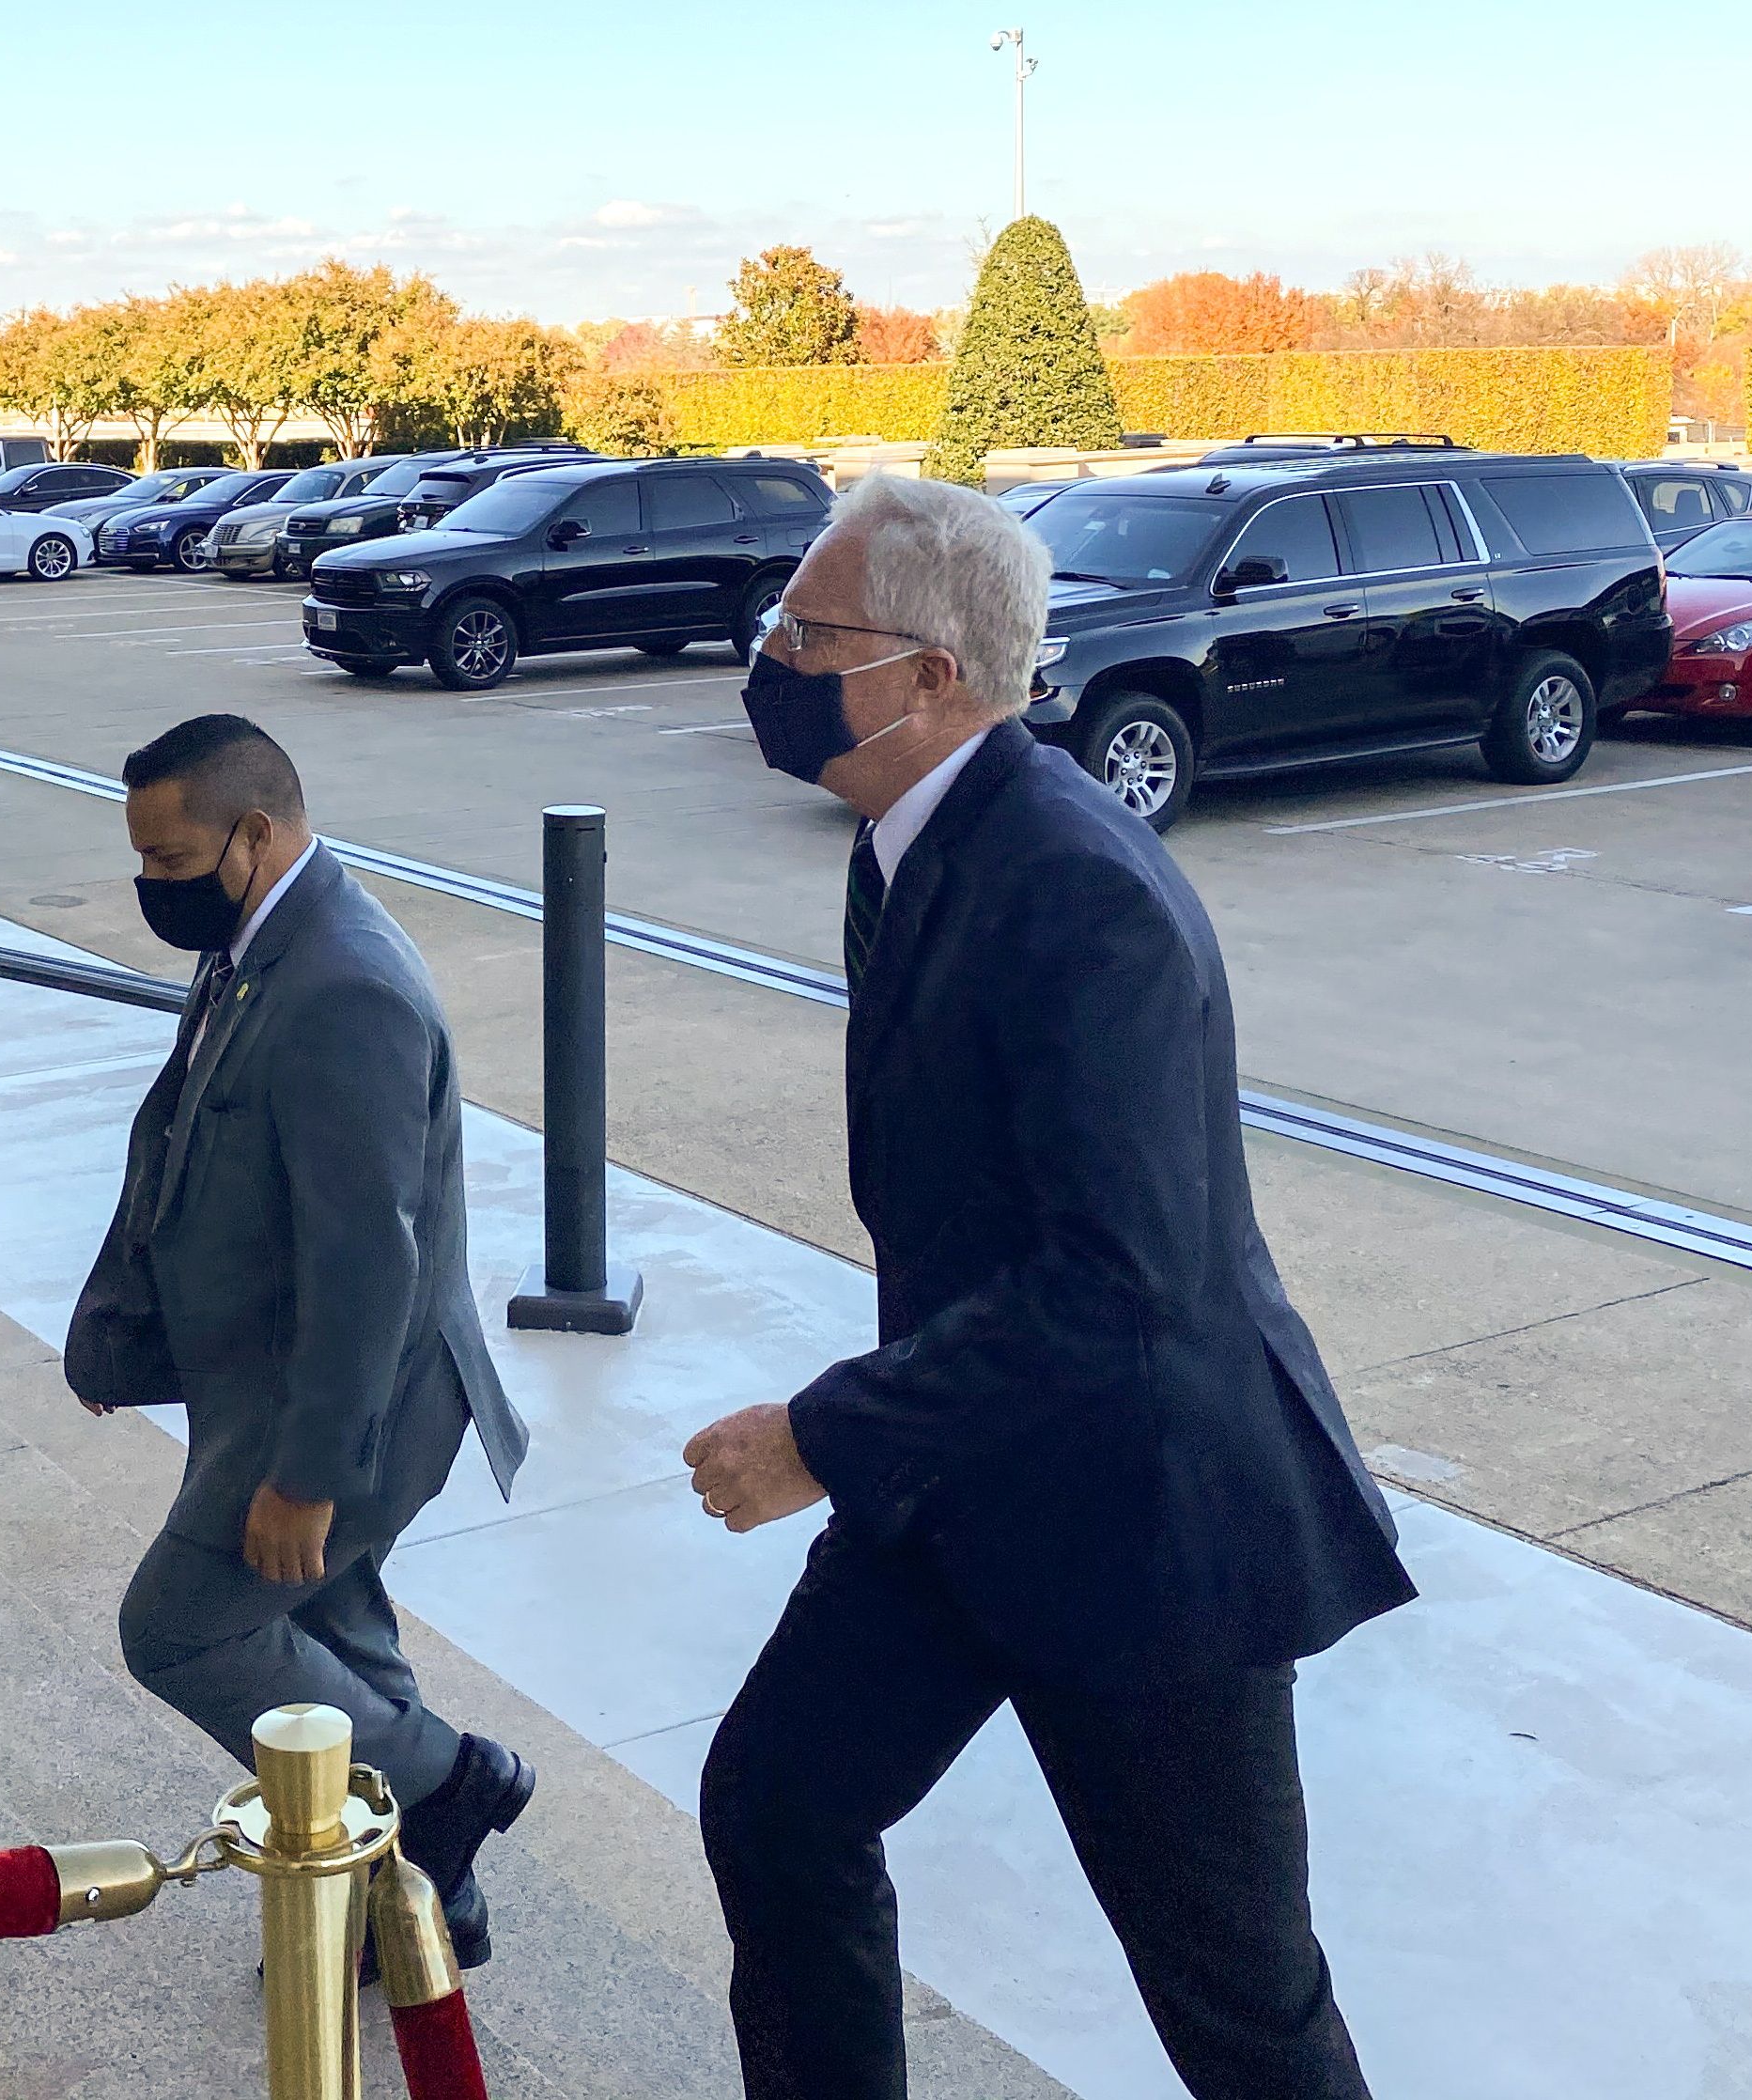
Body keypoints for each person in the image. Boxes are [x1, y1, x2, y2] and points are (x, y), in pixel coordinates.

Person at [682, 475, 1417, 2099]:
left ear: (931, 674)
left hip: (1142, 1515)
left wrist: (822, 1434)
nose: (774, 657)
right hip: (963, 1479)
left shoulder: (1076, 887)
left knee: (1234, 1993)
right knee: (780, 1807)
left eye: (810, 632)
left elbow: (1124, 1283)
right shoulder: (912, 840)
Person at [66, 712, 536, 1965]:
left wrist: (304, 1477)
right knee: (325, 1635)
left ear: (254, 833)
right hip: (266, 1381)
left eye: (171, 863)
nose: (152, 889)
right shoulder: (266, 945)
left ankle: (449, 1788)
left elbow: (366, 1256)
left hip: (340, 1404)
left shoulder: (346, 989)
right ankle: (413, 1908)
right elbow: (192, 1143)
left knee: (178, 1626)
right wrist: (136, 1334)